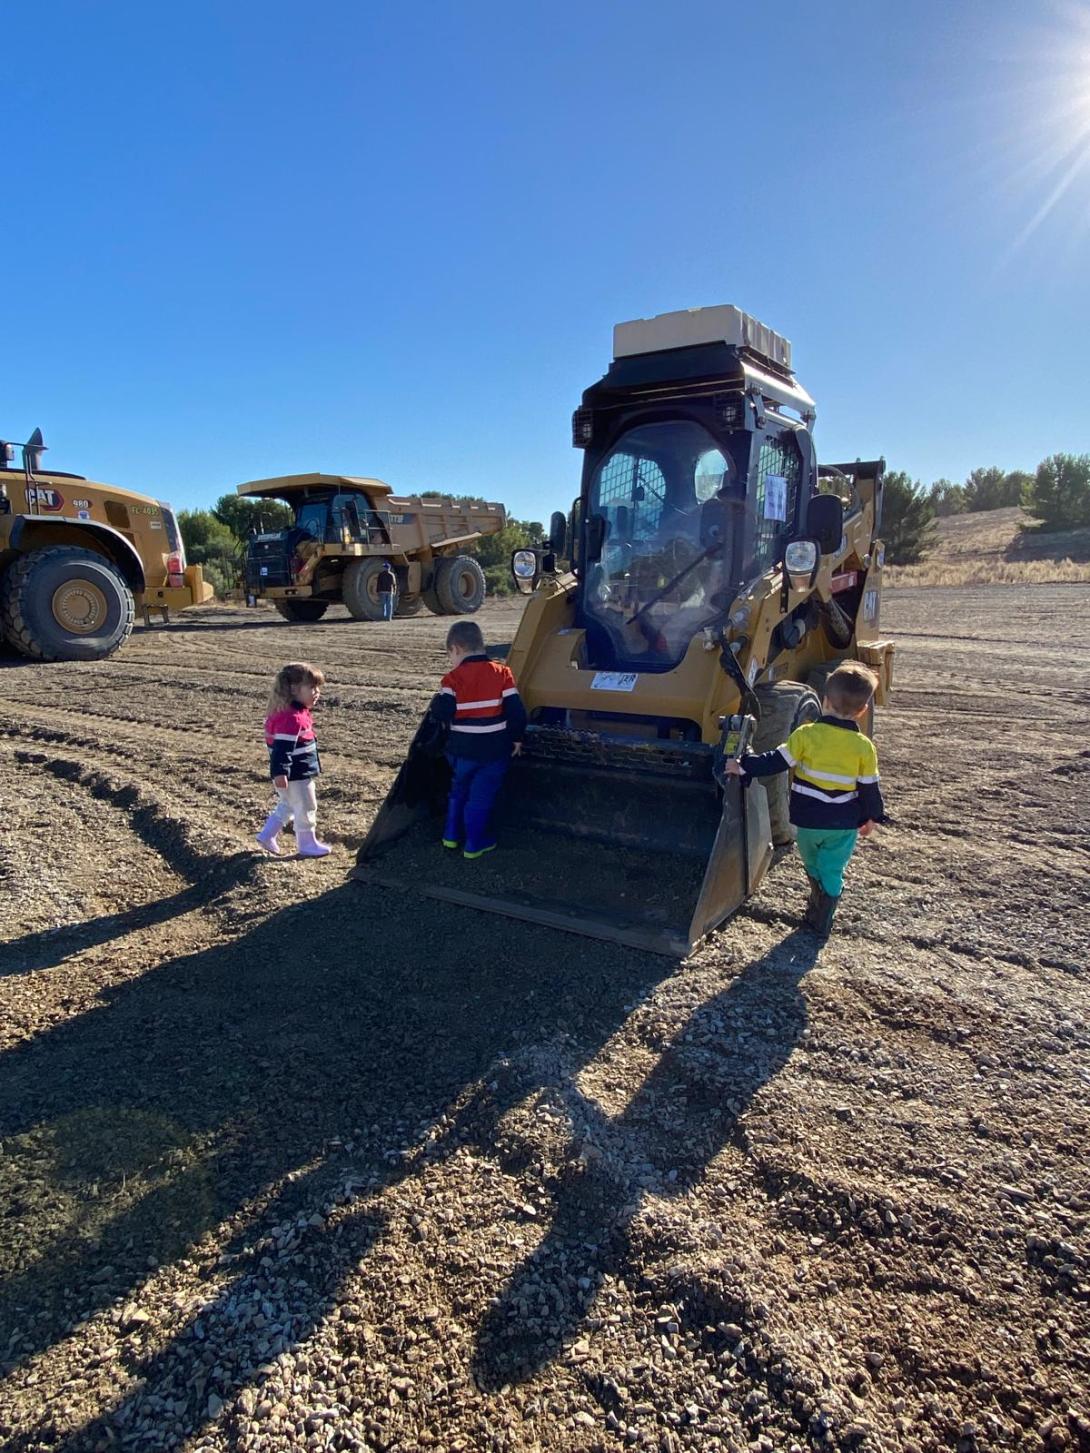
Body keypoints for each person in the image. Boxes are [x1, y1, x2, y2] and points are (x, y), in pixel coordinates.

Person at [726, 661, 884, 937]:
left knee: (816, 864)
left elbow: (776, 761)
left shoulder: (806, 735)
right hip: (842, 824)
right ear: (862, 711)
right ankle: (822, 907)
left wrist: (744, 765)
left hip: (808, 821)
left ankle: (819, 914)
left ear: (824, 700)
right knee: (829, 868)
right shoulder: (864, 748)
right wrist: (872, 816)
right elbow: (870, 788)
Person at [433, 620, 526, 859]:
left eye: (449, 655)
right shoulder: (502, 673)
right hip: (493, 752)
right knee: (481, 796)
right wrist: (516, 738)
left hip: (460, 751)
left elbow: (442, 712)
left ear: (457, 648)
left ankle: (451, 837)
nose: (451, 660)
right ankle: (475, 843)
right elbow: (516, 710)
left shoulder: (451, 679)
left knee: (458, 790)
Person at [256, 661, 332, 858]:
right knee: (306, 805)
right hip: (296, 774)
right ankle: (307, 844)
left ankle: (267, 835)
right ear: (294, 689)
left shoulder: (293, 713)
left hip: (291, 774)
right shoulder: (292, 718)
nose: (317, 692)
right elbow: (282, 749)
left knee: (289, 805)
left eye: (318, 687)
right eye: (312, 687)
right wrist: (280, 772)